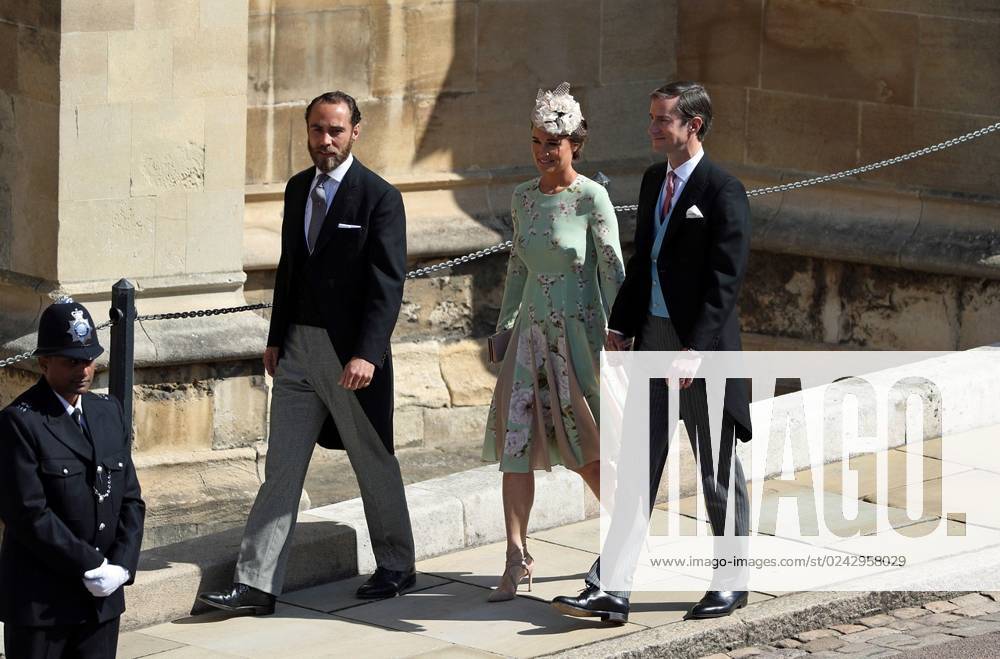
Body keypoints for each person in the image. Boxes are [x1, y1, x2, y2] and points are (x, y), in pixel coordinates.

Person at [198, 90, 415, 615]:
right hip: (296, 349)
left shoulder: (379, 197)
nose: (326, 140)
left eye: (336, 130)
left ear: (355, 132)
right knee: (282, 466)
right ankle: (256, 585)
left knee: (372, 460)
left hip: (350, 360)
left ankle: (397, 565)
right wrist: (275, 338)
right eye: (317, 130)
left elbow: (387, 285)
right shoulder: (298, 188)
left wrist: (368, 354)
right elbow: (290, 268)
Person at [551, 81, 752, 623]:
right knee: (637, 467)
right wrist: (621, 325)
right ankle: (612, 588)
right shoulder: (651, 180)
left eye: (663, 119)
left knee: (715, 468)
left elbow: (724, 282)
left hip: (700, 351)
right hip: (654, 340)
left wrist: (695, 350)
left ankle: (732, 580)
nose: (653, 127)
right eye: (652, 117)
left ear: (694, 126)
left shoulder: (722, 191)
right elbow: (646, 261)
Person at [482, 82, 625, 602]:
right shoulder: (522, 197)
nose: (545, 151)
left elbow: (612, 269)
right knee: (516, 447)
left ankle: (630, 535)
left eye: (555, 143)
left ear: (575, 146)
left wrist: (621, 334)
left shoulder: (592, 197)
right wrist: (503, 328)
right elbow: (518, 266)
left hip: (579, 337)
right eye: (538, 141)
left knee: (584, 448)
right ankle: (516, 557)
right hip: (529, 337)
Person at [0, 299, 145, 658]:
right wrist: (91, 565)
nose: (83, 370)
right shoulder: (20, 422)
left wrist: (122, 566)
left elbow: (130, 499)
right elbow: (29, 514)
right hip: (43, 606)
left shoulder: (108, 412)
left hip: (101, 605)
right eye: (71, 361)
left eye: (88, 360)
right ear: (44, 362)